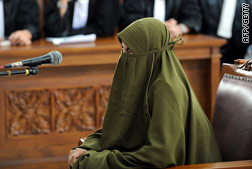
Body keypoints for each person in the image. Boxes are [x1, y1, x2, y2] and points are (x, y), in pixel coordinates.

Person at [68, 18, 222, 169]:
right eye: (123, 49)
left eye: (131, 51)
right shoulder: (149, 80)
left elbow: (159, 157)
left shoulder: (166, 89)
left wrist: (96, 162)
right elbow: (123, 130)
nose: (125, 57)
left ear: (151, 54)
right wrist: (90, 146)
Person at [120, 0, 202, 38]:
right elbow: (128, 19)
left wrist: (179, 28)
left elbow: (195, 18)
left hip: (174, 47)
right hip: (142, 46)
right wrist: (157, 27)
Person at [44, 0, 119, 37]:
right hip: (64, 49)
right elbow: (50, 30)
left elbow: (105, 28)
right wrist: (63, 4)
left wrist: (70, 33)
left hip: (98, 48)